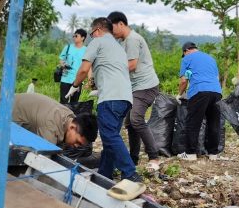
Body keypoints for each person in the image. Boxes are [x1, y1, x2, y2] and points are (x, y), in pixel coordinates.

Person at [67, 18, 140, 182]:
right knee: (110, 136)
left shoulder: (98, 42)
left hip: (111, 97)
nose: (92, 37)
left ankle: (130, 173)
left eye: (91, 34)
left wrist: (75, 85)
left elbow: (84, 69)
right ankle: (105, 174)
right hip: (125, 98)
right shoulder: (119, 48)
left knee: (109, 136)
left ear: (98, 30)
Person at [107, 11, 162, 171]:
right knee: (130, 123)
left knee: (136, 119)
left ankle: (154, 157)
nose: (112, 33)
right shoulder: (123, 42)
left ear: (121, 24)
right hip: (135, 87)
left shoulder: (132, 39)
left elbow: (131, 65)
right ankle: (133, 159)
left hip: (146, 86)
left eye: (112, 29)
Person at [0, 93, 97, 147]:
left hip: (7, 112)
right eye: (78, 142)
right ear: (72, 127)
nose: (76, 146)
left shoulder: (69, 117)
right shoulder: (51, 124)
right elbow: (44, 161)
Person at [178, 42, 223, 161]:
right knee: (214, 123)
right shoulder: (210, 58)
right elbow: (217, 77)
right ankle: (213, 153)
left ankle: (190, 153)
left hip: (199, 91)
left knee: (193, 122)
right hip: (216, 92)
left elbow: (183, 80)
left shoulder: (187, 58)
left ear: (186, 51)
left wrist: (180, 94)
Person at [59, 29, 87, 104]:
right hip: (65, 78)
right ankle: (62, 116)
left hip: (78, 80)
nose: (74, 37)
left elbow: (88, 66)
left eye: (76, 36)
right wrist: (63, 65)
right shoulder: (67, 47)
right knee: (63, 101)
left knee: (74, 102)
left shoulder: (86, 50)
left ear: (82, 38)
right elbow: (61, 59)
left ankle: (71, 115)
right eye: (73, 36)